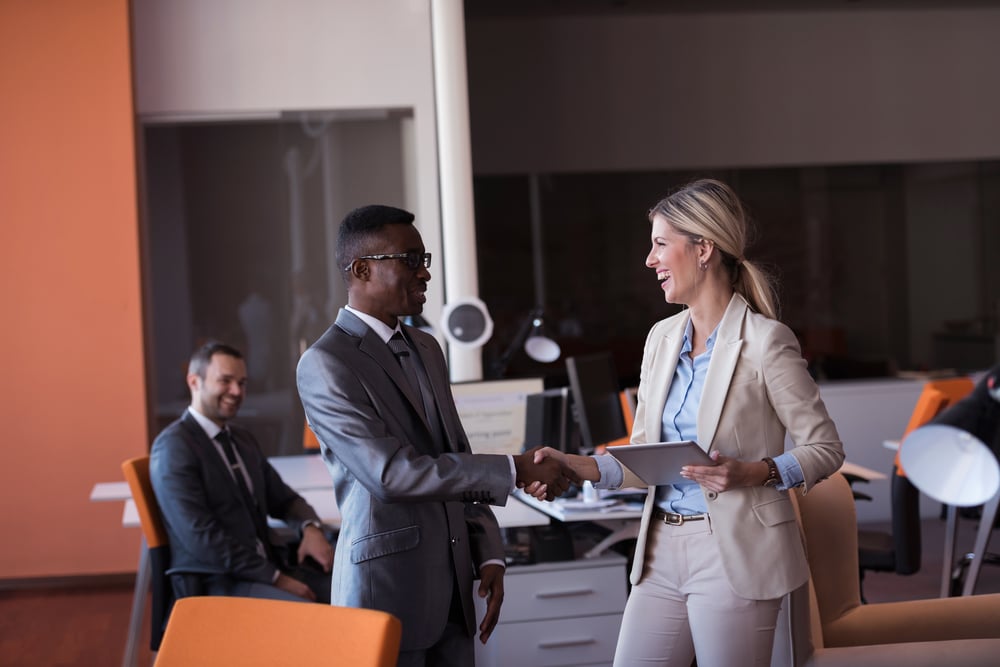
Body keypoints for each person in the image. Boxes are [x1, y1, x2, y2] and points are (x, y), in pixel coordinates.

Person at [534, 179, 845, 667]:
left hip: (733, 551)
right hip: (660, 548)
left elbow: (826, 448)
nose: (649, 260)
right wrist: (576, 465)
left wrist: (756, 471)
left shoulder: (766, 341)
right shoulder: (660, 339)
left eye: (660, 244)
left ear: (703, 249)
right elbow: (644, 460)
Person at [296, 204, 574, 667]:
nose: (424, 274)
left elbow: (454, 454)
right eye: (410, 260)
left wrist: (488, 553)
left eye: (425, 260)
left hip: (453, 591)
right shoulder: (326, 363)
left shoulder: (426, 348)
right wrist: (514, 469)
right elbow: (391, 474)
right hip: (384, 590)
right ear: (362, 269)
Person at [150, 341, 335, 603]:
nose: (236, 391)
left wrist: (310, 528)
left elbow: (284, 498)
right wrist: (276, 579)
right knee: (311, 612)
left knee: (352, 586)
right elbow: (202, 538)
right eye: (225, 381)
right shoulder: (174, 448)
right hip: (219, 583)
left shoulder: (241, 439)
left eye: (242, 383)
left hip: (268, 567)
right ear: (194, 382)